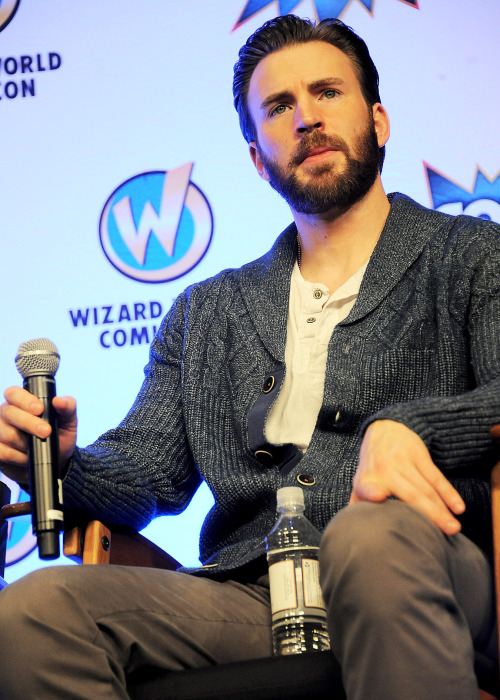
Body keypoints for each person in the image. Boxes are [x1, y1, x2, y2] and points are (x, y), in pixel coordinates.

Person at [0, 14, 499, 699]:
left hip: (430, 568)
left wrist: (410, 426)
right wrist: (58, 460)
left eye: (327, 92)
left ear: (378, 121)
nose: (307, 119)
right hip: (253, 599)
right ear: (258, 158)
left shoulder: (473, 257)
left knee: (368, 537)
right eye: (280, 107)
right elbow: (144, 478)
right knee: (34, 613)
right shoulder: (206, 310)